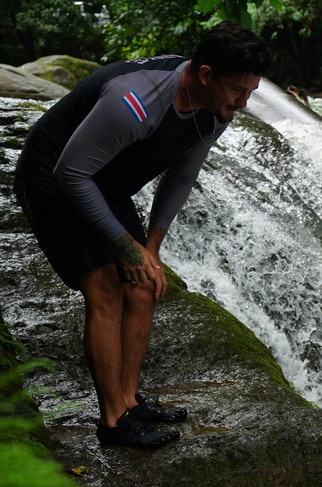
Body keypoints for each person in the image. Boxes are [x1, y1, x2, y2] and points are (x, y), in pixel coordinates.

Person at [14, 21, 272, 449]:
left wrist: (150, 247)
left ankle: (129, 401)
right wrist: (124, 247)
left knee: (145, 285)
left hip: (103, 183)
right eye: (236, 91)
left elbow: (181, 176)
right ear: (205, 74)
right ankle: (113, 422)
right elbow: (71, 174)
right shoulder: (133, 101)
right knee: (105, 289)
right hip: (52, 180)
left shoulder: (217, 108)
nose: (243, 103)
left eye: (251, 92)